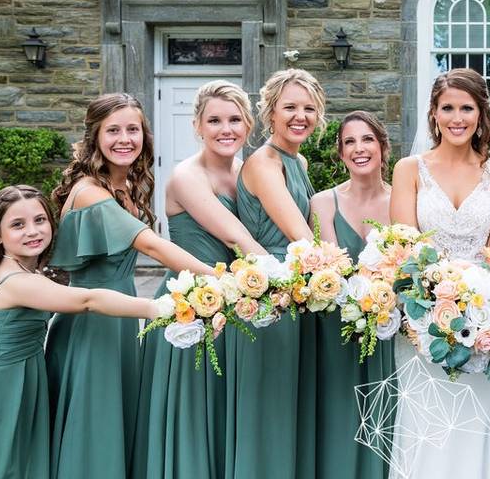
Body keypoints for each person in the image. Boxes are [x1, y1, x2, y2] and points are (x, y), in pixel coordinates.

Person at [46, 93, 214, 479]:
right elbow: (152, 245)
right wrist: (219, 277)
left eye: (133, 129)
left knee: (116, 425)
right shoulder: (90, 191)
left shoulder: (126, 187)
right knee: (94, 432)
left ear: (145, 136)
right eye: (113, 130)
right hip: (90, 324)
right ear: (95, 138)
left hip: (119, 321)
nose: (125, 139)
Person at [0, 185, 160, 479]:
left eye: (40, 220)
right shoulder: (15, 280)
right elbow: (88, 300)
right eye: (17, 225)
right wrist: (157, 308)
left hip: (14, 387)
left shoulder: (26, 271)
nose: (32, 231)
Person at [133, 80, 267, 479]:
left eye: (234, 119)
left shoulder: (247, 173)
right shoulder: (185, 177)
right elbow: (236, 238)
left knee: (227, 410)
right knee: (193, 413)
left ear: (248, 124)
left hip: (236, 306)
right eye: (214, 120)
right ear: (197, 126)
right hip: (190, 308)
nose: (225, 129)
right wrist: (295, 275)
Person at [390, 68, 490, 479]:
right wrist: (436, 296)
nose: (457, 118)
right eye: (448, 108)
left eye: (467, 108)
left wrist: (478, 298)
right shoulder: (409, 169)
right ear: (434, 114)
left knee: (478, 426)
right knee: (425, 427)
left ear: (482, 114)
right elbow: (405, 248)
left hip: (485, 321)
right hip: (423, 321)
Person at [225, 69, 323, 479]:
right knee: (269, 408)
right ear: (270, 112)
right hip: (269, 298)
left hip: (298, 293)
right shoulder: (263, 163)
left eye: (309, 108)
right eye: (290, 107)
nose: (300, 116)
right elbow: (301, 238)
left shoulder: (296, 160)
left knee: (290, 404)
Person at [309, 110, 393, 479]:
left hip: (387, 327)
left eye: (367, 140)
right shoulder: (323, 203)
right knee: (339, 415)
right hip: (335, 328)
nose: (359, 149)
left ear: (382, 147)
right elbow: (333, 266)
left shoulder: (401, 201)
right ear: (341, 154)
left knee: (384, 417)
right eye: (349, 142)